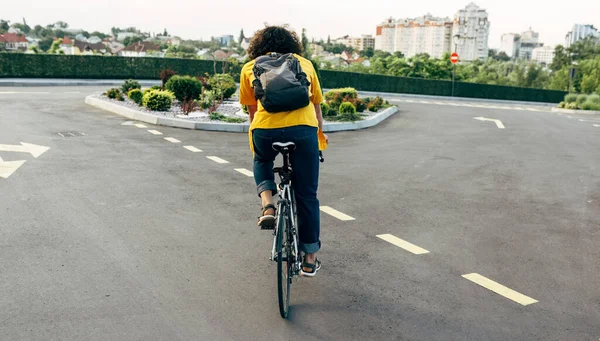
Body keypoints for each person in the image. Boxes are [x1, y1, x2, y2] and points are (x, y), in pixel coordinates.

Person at [239, 25, 328, 277]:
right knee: (307, 196)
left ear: (258, 45)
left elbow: (253, 112)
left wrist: (259, 140)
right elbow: (317, 106)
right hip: (303, 131)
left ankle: (268, 205)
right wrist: (319, 136)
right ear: (292, 44)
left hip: (266, 131)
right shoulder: (305, 64)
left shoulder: (250, 67)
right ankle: (309, 258)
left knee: (262, 158)